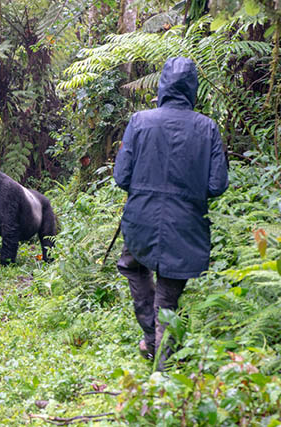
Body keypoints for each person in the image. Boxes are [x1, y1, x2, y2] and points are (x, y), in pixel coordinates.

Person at [113, 57, 229, 370]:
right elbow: (217, 185)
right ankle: (161, 362)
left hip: (141, 220)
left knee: (132, 265)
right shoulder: (208, 128)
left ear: (163, 84)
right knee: (167, 296)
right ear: (193, 88)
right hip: (186, 225)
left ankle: (154, 347)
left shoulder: (139, 121)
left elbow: (122, 177)